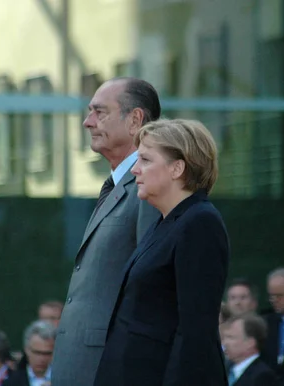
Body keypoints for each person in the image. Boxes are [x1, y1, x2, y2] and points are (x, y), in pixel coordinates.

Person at [93, 119, 230, 386]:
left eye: (145, 159)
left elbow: (195, 330)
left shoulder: (200, 223)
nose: (134, 170)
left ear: (177, 168)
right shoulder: (167, 221)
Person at [51, 77, 160, 386]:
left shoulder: (149, 185)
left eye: (100, 112)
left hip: (111, 367)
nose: (88, 122)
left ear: (135, 120)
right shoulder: (115, 184)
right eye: (90, 112)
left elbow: (149, 286)